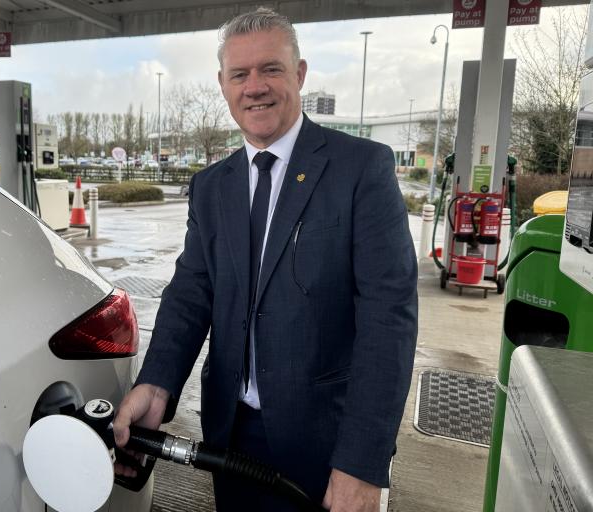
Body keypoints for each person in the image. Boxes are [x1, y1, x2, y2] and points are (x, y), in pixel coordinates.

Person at [112, 8, 417, 512]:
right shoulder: (212, 187)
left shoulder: (362, 169)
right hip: (230, 436)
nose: (255, 86)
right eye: (240, 74)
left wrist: (363, 462)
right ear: (223, 85)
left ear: (299, 74)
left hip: (326, 446)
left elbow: (390, 322)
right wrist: (156, 382)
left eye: (270, 69)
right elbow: (191, 293)